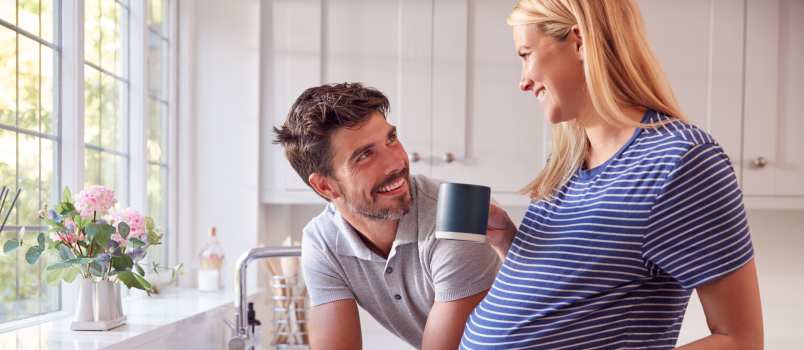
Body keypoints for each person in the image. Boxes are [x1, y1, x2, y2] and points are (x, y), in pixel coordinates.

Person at [463, 1, 764, 349]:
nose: (523, 81)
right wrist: (509, 244)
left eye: (526, 54)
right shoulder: (567, 162)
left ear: (578, 42)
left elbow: (741, 339)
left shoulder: (680, 160)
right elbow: (576, 294)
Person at [273, 82, 500, 349]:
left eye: (391, 139)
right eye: (365, 155)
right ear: (325, 186)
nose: (396, 162)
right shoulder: (322, 241)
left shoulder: (455, 218)